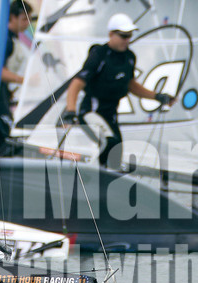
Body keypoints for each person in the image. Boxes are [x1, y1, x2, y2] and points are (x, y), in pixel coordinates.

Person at [59, 12, 174, 168]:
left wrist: (158, 96)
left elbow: (131, 85)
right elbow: (77, 83)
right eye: (123, 36)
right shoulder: (99, 55)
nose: (127, 40)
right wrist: (70, 111)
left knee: (117, 150)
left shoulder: (130, 57)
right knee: (109, 142)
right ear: (111, 34)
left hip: (110, 115)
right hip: (91, 112)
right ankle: (92, 175)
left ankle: (107, 181)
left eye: (129, 36)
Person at [0, 0, 32, 149]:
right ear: (12, 17)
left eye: (29, 19)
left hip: (5, 92)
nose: (27, 23)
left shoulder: (13, 38)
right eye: (23, 19)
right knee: (3, 131)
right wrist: (26, 80)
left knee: (5, 128)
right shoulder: (6, 39)